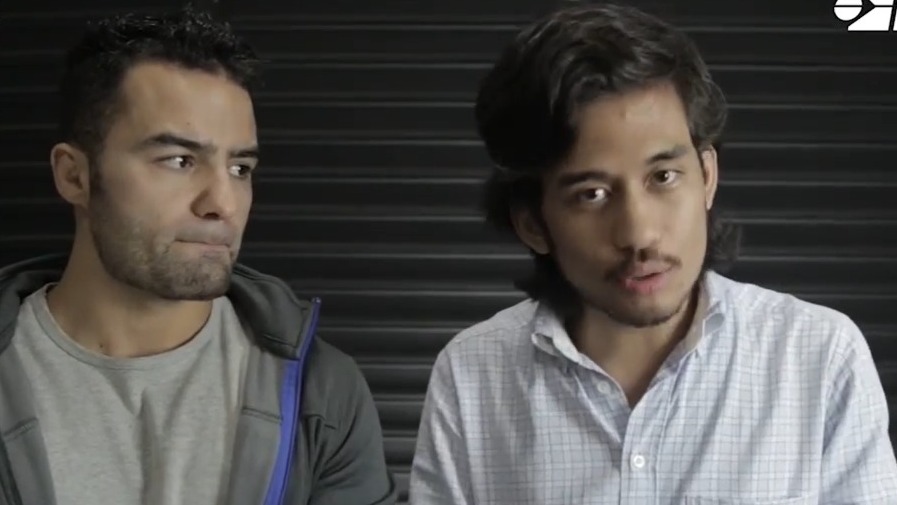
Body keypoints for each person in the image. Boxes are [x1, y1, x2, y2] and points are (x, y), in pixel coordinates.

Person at [408, 3, 897, 504]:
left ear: (707, 177)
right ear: (533, 223)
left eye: (663, 177)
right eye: (592, 194)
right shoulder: (472, 375)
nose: (639, 234)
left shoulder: (820, 358)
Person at [0, 7, 396, 505]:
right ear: (74, 176)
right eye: (179, 160)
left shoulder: (323, 395)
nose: (223, 204)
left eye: (240, 168)